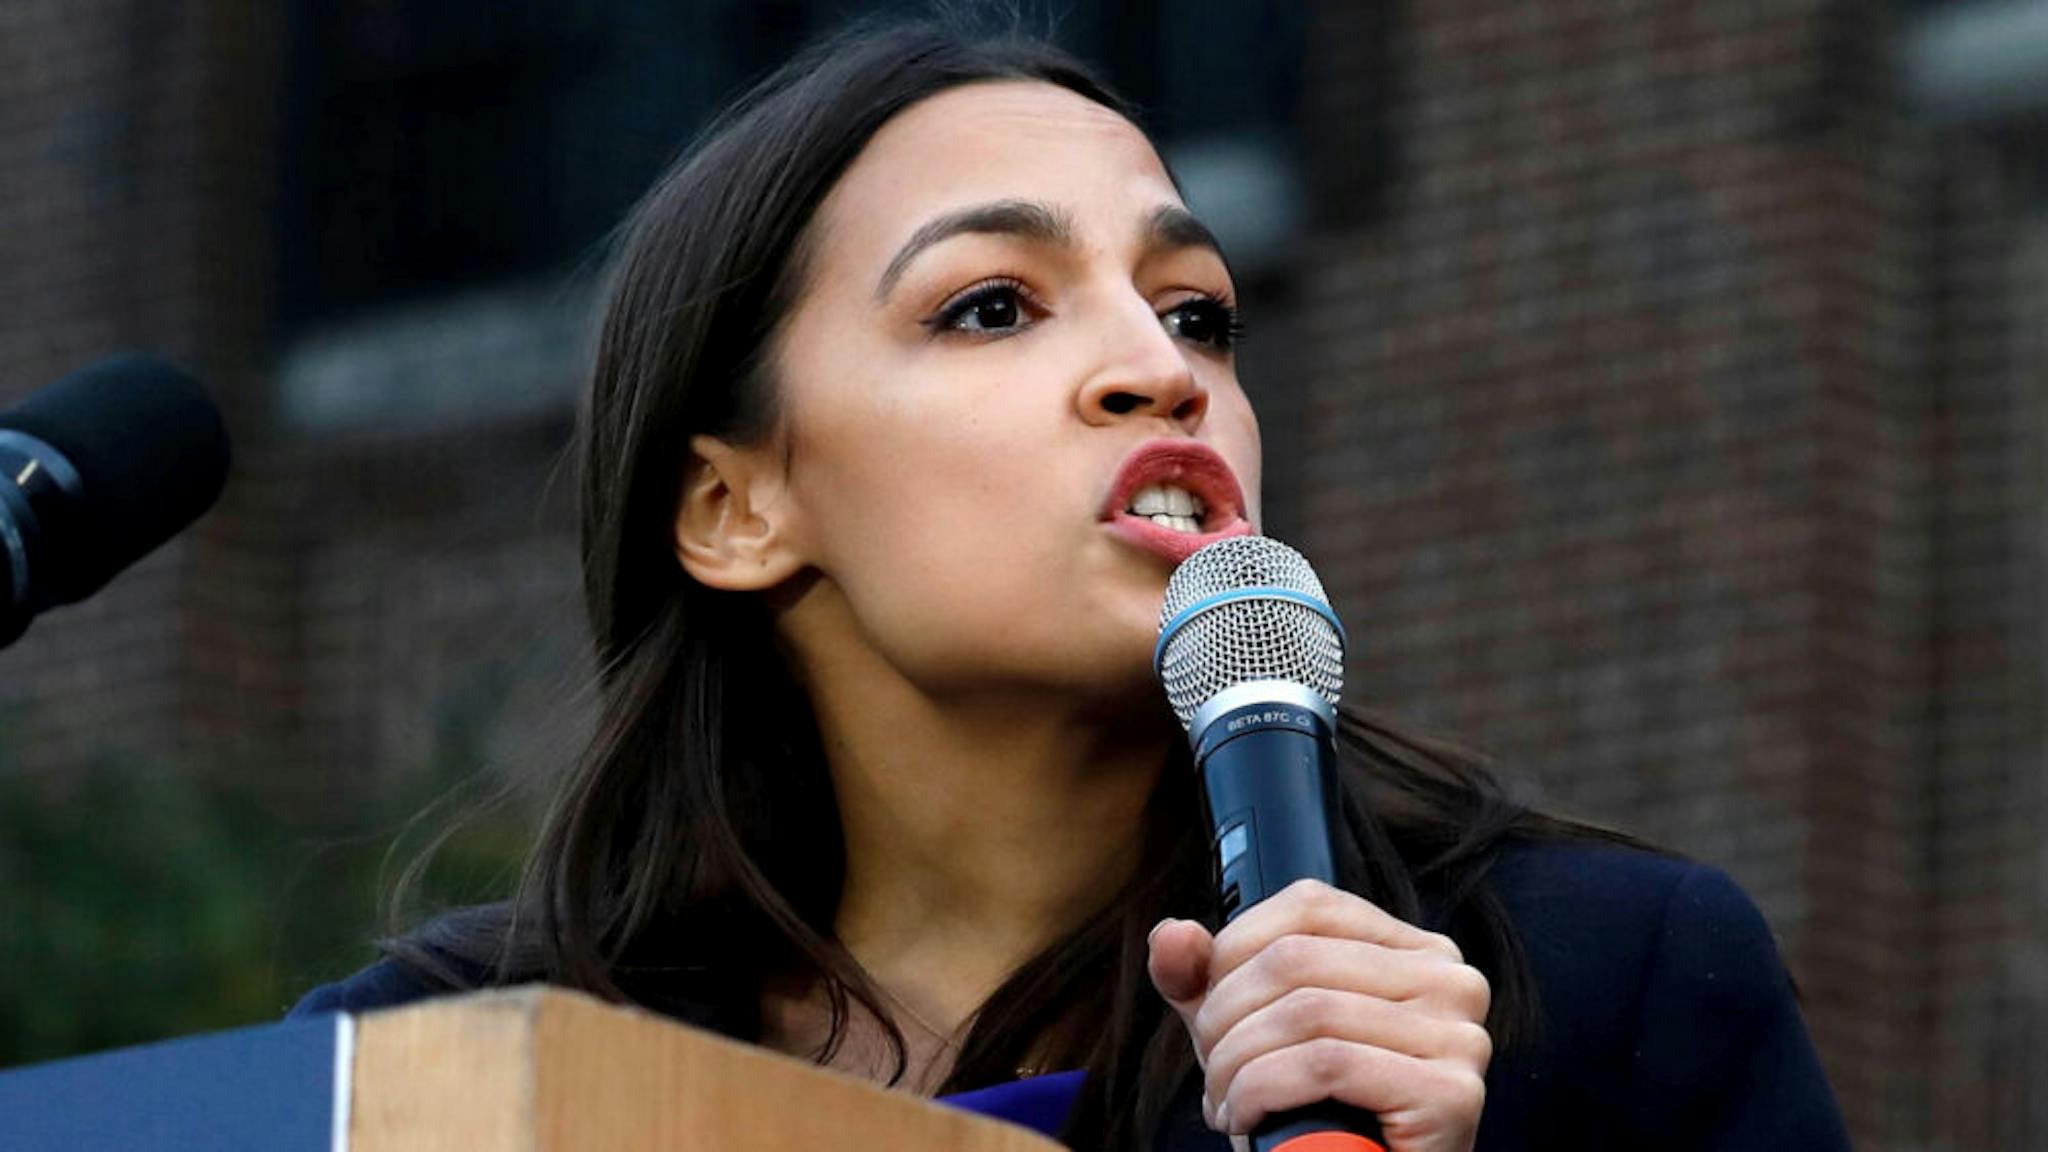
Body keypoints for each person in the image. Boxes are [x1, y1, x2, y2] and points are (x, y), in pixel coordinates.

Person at [289, 18, 1852, 1152]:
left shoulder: (1599, 995)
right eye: (990, 307)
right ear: (732, 505)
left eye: (1200, 312)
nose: (1153, 369)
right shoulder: (433, 1072)